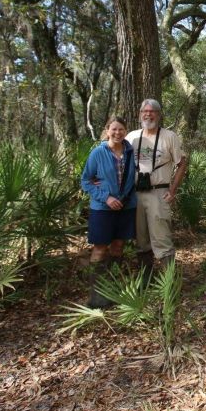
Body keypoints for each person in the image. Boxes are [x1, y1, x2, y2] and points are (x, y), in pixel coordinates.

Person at [125, 99, 188, 281]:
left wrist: (172, 190)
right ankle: (146, 280)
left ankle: (169, 284)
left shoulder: (169, 136)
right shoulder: (131, 137)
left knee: (162, 239)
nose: (148, 114)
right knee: (141, 240)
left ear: (158, 115)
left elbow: (182, 164)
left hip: (159, 193)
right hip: (135, 194)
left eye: (152, 111)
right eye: (145, 111)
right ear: (139, 114)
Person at [80, 116, 136, 308]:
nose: (117, 133)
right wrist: (106, 198)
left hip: (126, 207)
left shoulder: (131, 152)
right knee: (100, 248)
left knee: (118, 246)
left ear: (126, 131)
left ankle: (112, 291)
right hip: (103, 209)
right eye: (114, 129)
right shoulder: (98, 152)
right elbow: (86, 181)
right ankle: (96, 296)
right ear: (107, 130)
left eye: (121, 129)